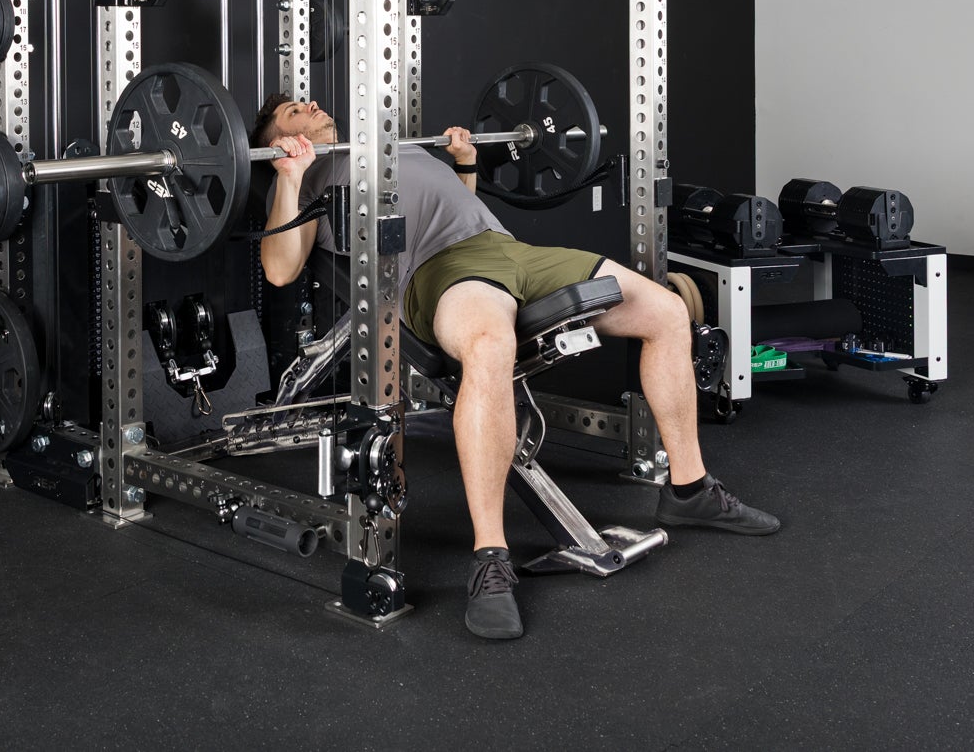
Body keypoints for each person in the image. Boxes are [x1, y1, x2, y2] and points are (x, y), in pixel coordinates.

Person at [254, 94, 781, 641]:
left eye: (306, 101)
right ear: (276, 142)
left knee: (667, 311)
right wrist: (289, 176)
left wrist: (465, 164)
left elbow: (455, 209)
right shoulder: (306, 179)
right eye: (293, 110)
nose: (310, 104)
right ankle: (490, 557)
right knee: (489, 346)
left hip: (509, 250)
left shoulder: (388, 145)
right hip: (436, 273)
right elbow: (280, 270)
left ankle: (689, 490)